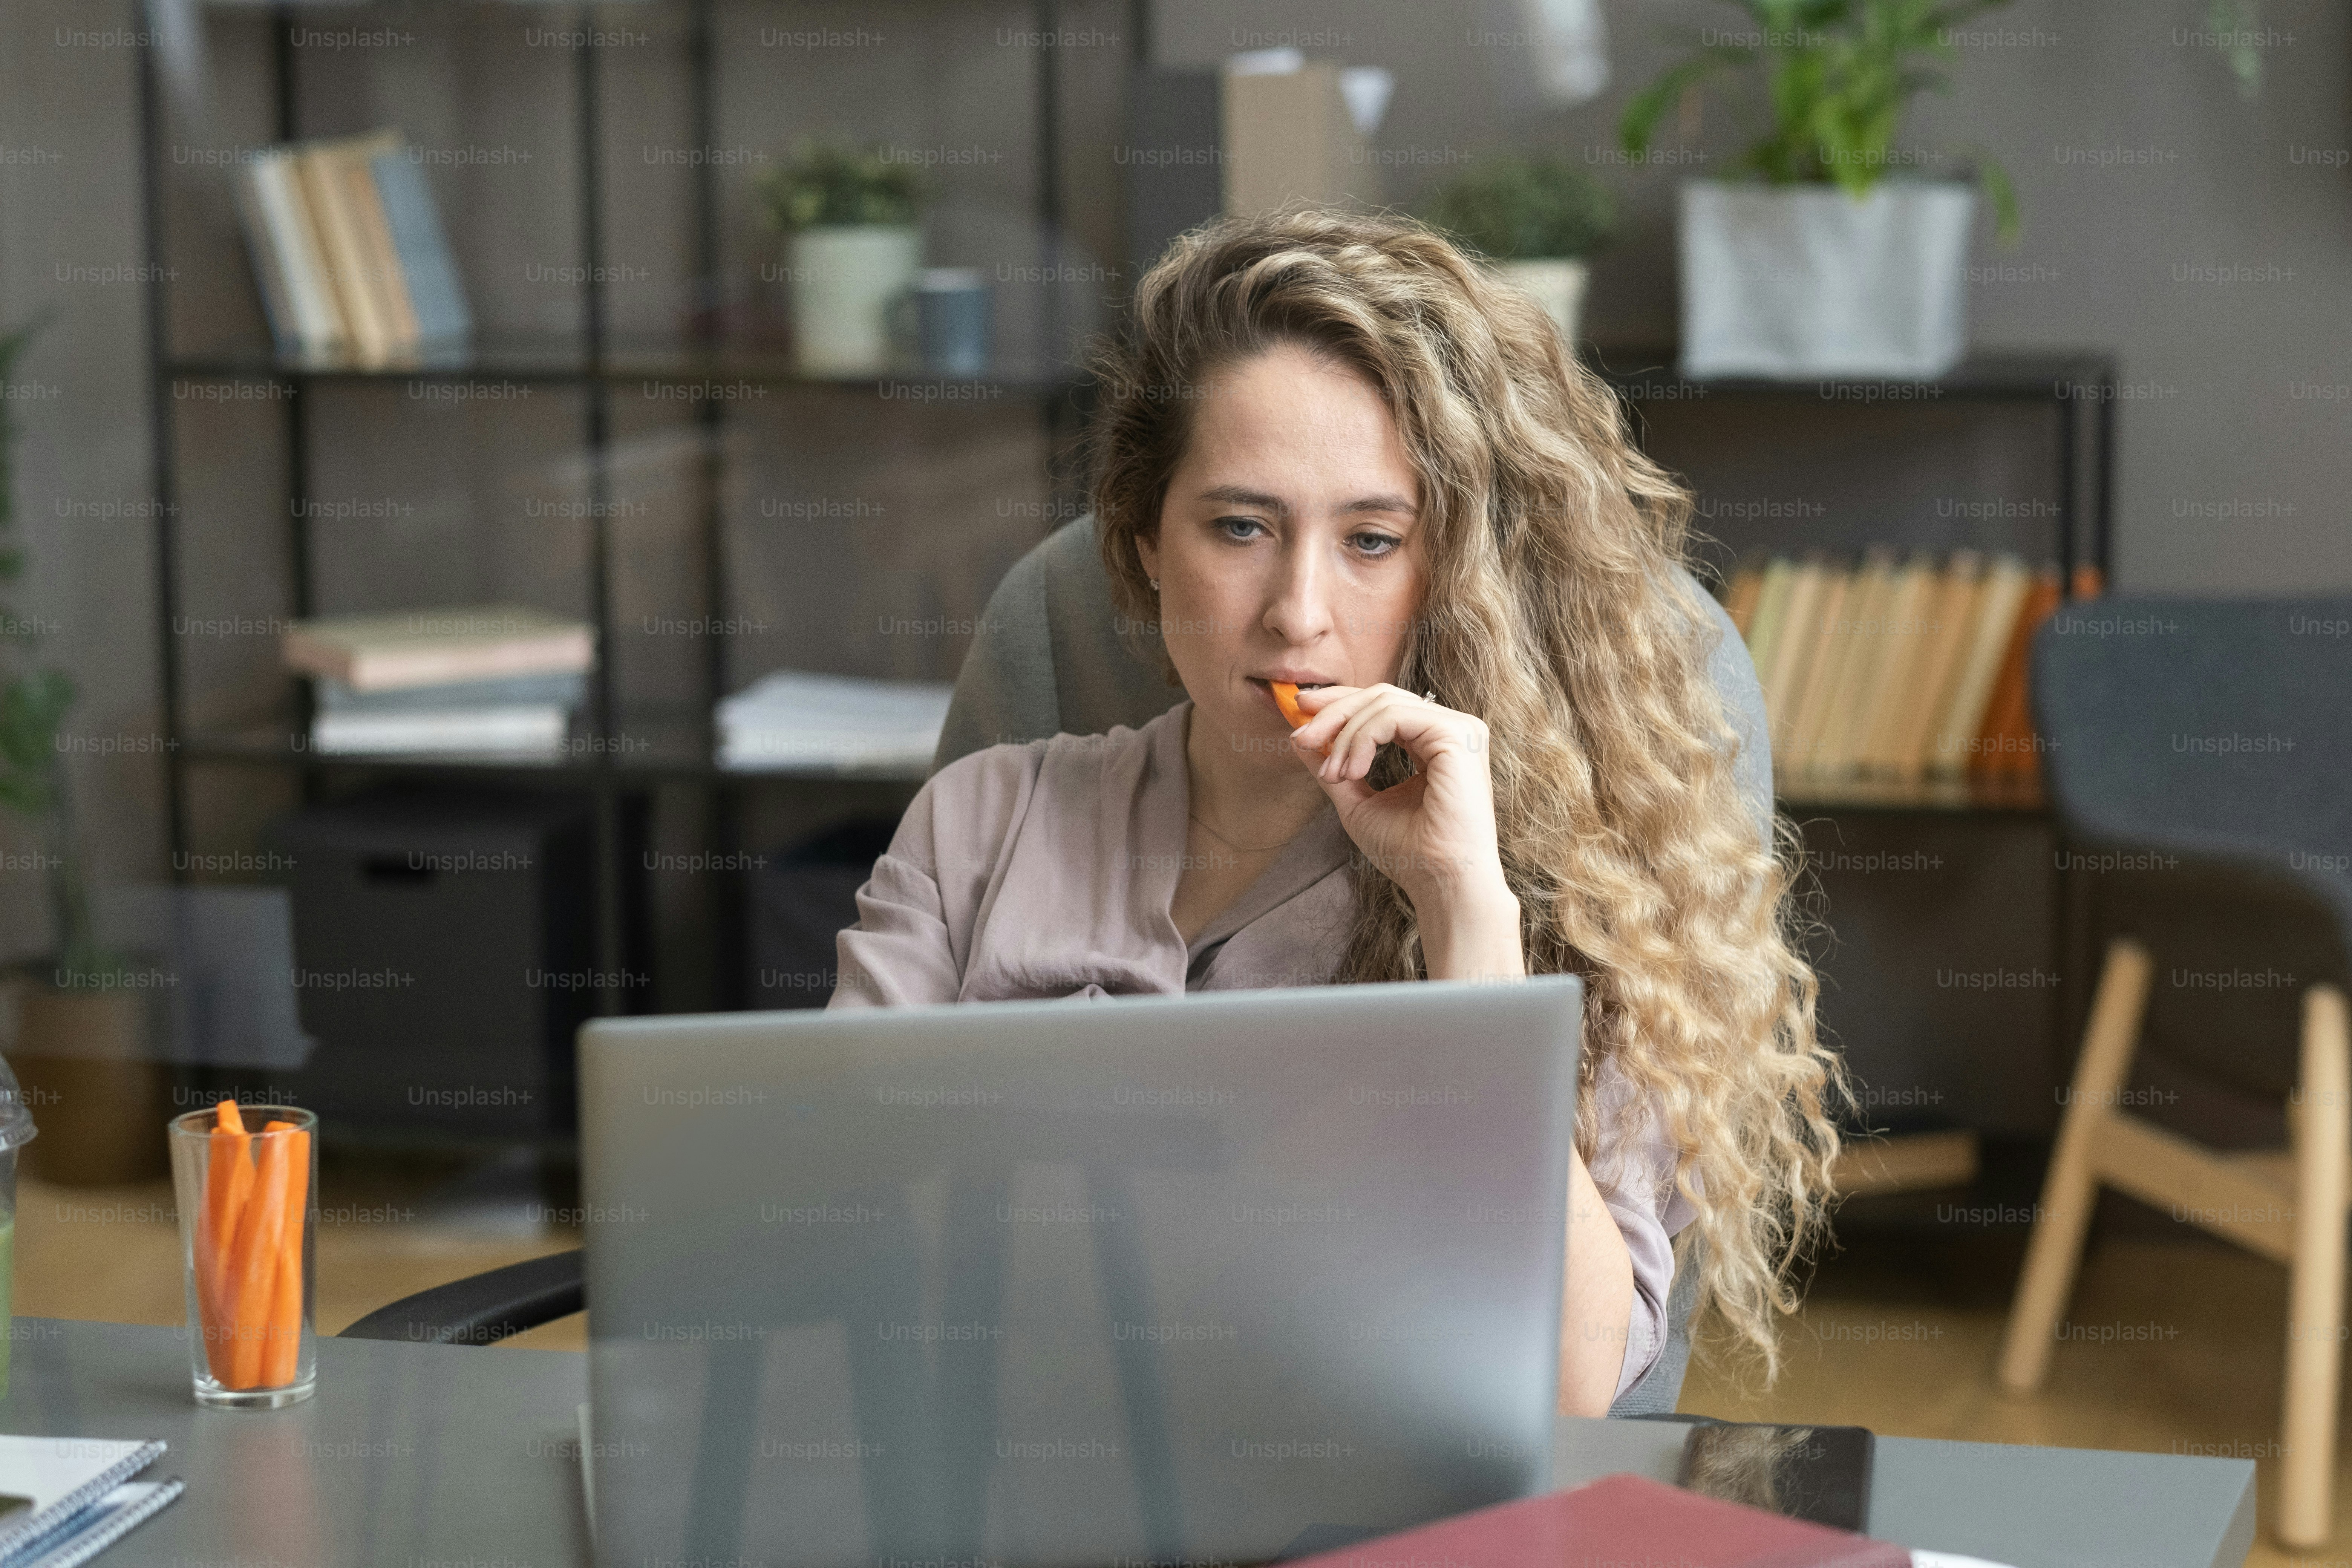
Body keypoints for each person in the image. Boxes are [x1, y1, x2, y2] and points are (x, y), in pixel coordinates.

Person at [831, 206, 1844, 1416]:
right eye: (1241, 527)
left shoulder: (1574, 892)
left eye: (1371, 541)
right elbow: (838, 1239)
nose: (1297, 612)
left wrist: (1465, 909)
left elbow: (1569, 1385)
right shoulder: (978, 824)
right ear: (1146, 538)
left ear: (1449, 574)